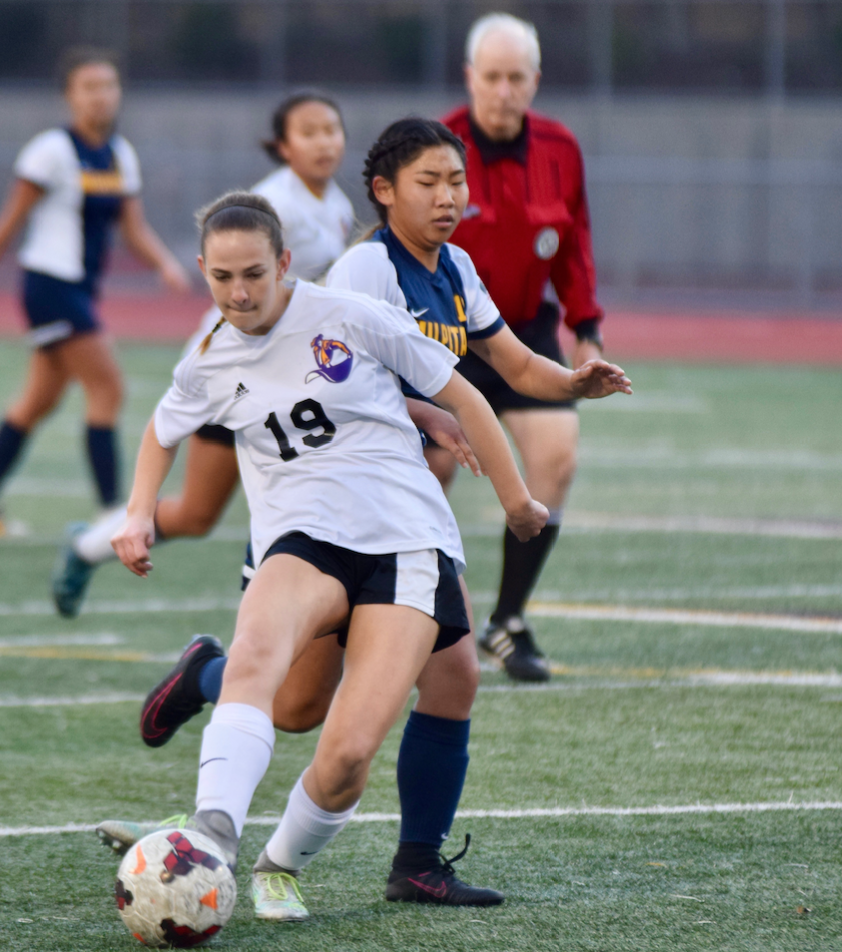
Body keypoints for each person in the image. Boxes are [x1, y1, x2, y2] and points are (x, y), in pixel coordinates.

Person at [101, 121, 630, 920]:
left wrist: (514, 473)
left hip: (403, 536)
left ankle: (301, 862)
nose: (238, 294)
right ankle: (215, 832)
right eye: (220, 278)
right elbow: (165, 427)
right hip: (304, 537)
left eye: (457, 180)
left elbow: (469, 381)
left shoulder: (401, 286)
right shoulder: (264, 321)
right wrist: (138, 512)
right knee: (277, 687)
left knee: (351, 743)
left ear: (284, 265)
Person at [50, 89, 356, 617]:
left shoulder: (338, 205)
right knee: (196, 514)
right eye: (308, 132)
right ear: (282, 145)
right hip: (234, 375)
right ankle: (86, 547)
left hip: (293, 376)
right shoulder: (273, 204)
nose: (324, 142)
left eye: (331, 130)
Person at [0, 47, 189, 537]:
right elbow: (9, 219)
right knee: (109, 387)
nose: (101, 96)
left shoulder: (121, 153)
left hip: (79, 289)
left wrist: (165, 262)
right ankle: (110, 514)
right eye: (89, 87)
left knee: (37, 402)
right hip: (49, 285)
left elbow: (134, 228)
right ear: (69, 96)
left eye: (108, 85)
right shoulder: (51, 151)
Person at [444, 13, 608, 681]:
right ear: (470, 78)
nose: (504, 91)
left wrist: (587, 325)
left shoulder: (561, 148)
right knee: (431, 468)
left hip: (523, 333)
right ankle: (418, 612)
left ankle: (506, 621)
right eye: (492, 77)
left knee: (556, 459)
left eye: (517, 78)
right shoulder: (438, 146)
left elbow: (575, 245)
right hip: (445, 333)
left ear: (534, 81)